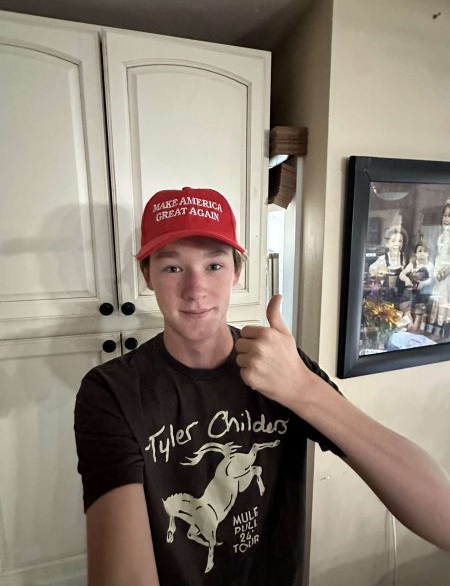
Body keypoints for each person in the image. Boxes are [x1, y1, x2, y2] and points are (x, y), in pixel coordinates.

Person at [75, 187, 450, 586]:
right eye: (173, 268)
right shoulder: (112, 391)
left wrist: (303, 388)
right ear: (147, 275)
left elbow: (442, 516)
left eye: (214, 266)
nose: (196, 289)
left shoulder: (283, 367)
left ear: (237, 271)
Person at [398, 242, 434, 332]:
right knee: (404, 302)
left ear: (428, 254)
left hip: (422, 292)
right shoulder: (413, 263)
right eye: (420, 251)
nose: (422, 254)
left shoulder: (430, 265)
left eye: (425, 252)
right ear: (416, 253)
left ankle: (416, 323)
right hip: (411, 289)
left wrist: (423, 283)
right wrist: (406, 279)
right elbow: (402, 274)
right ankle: (410, 322)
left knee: (420, 307)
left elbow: (432, 279)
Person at [368, 226, 407, 304]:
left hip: (400, 296)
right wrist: (379, 272)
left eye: (400, 241)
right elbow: (371, 270)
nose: (397, 244)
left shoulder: (405, 259)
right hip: (385, 297)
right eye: (393, 241)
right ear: (387, 244)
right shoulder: (383, 259)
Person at [429, 202, 450, 338]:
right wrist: (436, 272)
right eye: (445, 215)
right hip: (439, 273)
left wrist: (445, 272)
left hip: (448, 274)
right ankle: (439, 332)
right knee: (438, 301)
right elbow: (438, 255)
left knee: (446, 301)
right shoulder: (441, 235)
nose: (447, 219)